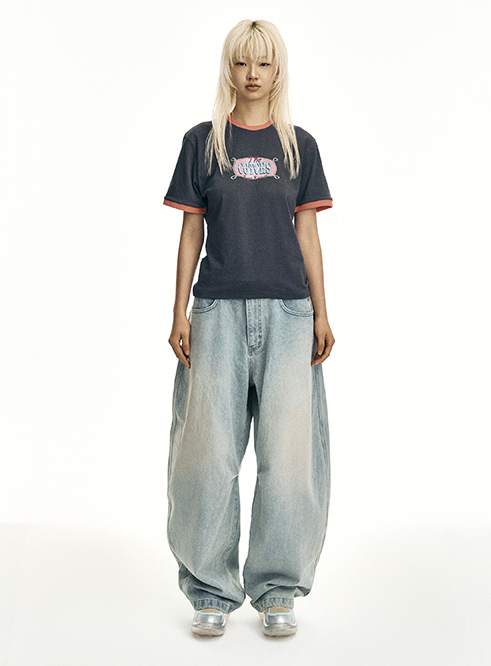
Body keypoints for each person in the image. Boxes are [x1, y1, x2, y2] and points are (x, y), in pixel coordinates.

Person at [163, 18, 335, 638]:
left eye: (263, 63)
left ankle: (278, 588)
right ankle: (210, 588)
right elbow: (192, 229)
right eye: (242, 62)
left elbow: (307, 232)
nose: (253, 74)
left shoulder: (299, 146)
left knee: (288, 459)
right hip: (216, 313)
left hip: (290, 314)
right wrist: (179, 309)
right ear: (229, 69)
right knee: (208, 454)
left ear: (278, 70)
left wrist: (322, 311)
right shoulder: (203, 142)